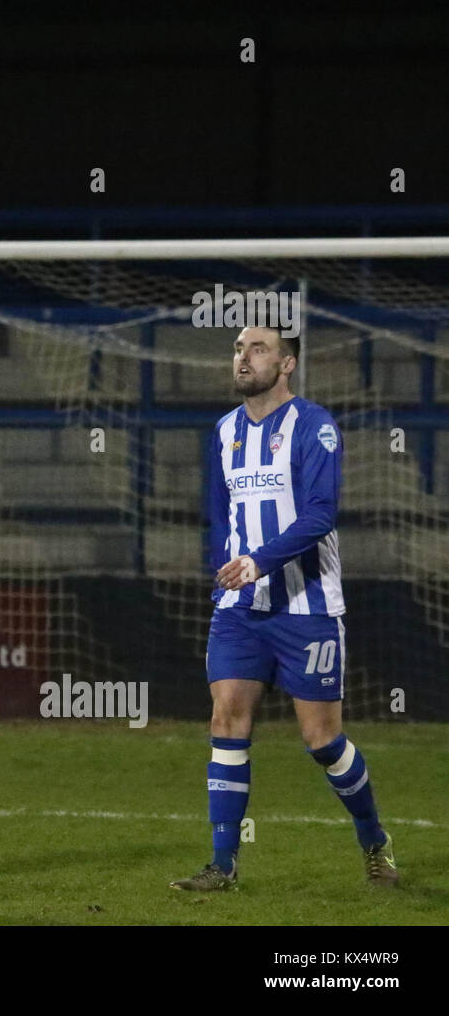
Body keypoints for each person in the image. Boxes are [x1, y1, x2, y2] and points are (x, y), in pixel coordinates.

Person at [171, 324, 397, 891]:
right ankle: (222, 866)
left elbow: (320, 515)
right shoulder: (222, 432)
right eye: (238, 350)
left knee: (322, 741)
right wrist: (228, 573)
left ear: (288, 363)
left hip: (308, 607)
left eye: (258, 349)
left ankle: (374, 839)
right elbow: (220, 517)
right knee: (226, 721)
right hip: (240, 608)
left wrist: (259, 562)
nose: (243, 358)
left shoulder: (313, 427)